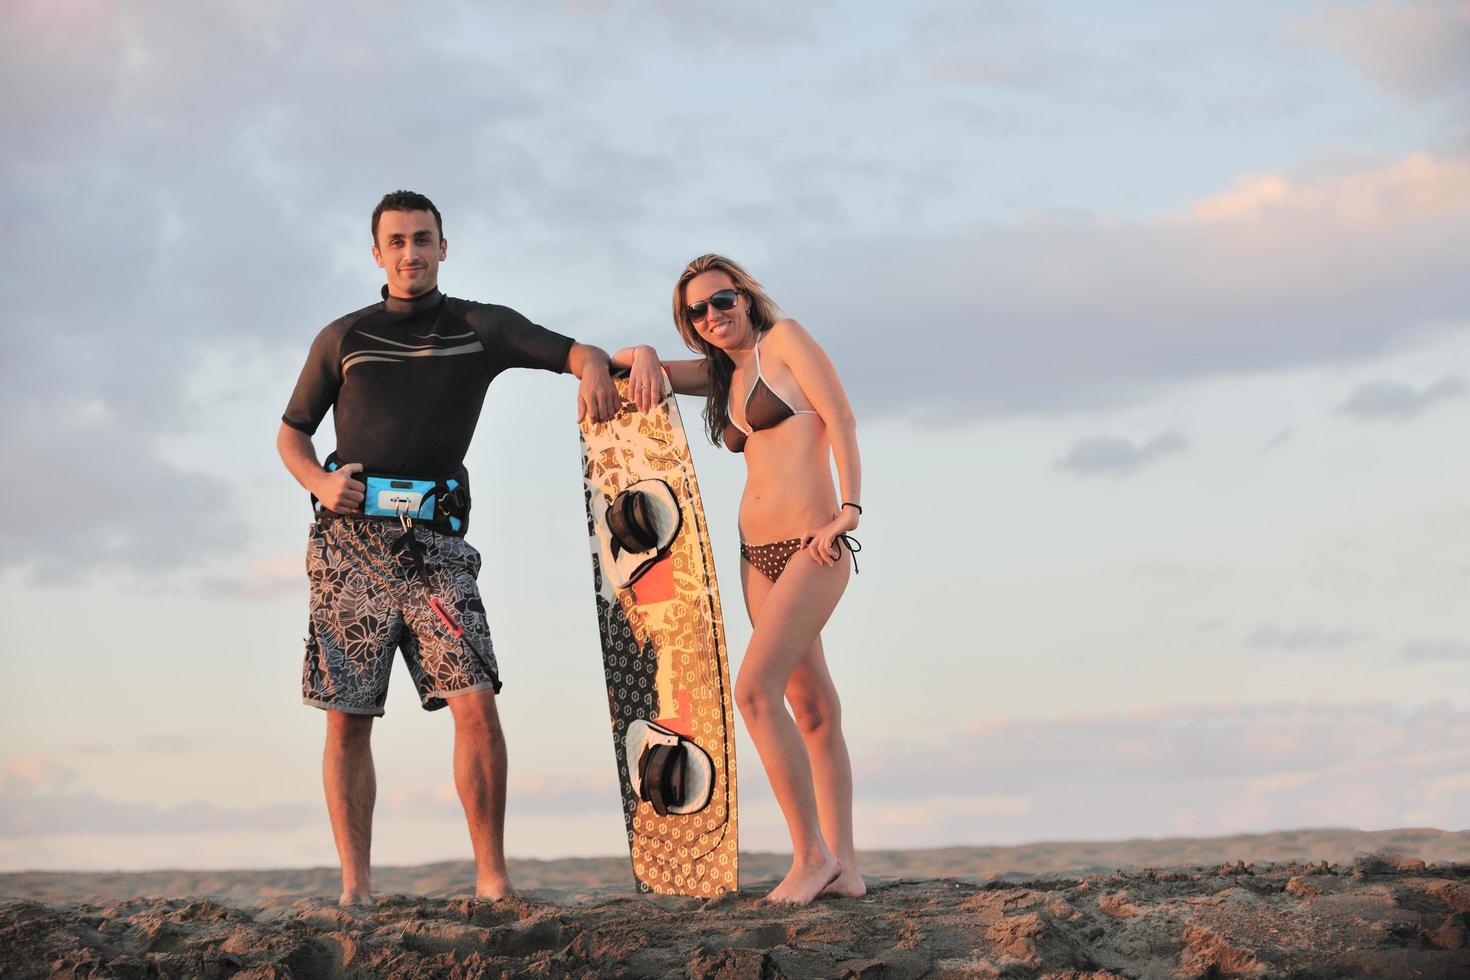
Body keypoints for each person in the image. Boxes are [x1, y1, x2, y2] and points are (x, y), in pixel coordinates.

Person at [277, 190, 618, 906]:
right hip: (350, 546)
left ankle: (492, 879)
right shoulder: (343, 336)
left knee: (476, 703)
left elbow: (576, 352)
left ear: (443, 246)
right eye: (396, 242)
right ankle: (356, 889)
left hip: (437, 549)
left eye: (422, 239)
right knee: (349, 718)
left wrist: (594, 371)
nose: (411, 253)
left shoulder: (479, 326)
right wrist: (317, 479)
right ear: (377, 253)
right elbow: (292, 431)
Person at [612, 254, 864, 904]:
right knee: (811, 707)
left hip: (814, 544)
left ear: (745, 297)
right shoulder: (722, 374)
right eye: (696, 311)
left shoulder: (784, 341)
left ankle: (811, 856)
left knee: (753, 692)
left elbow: (841, 417)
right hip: (758, 556)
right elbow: (634, 371)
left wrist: (849, 511)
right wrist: (642, 348)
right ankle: (845, 866)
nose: (713, 316)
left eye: (722, 300)